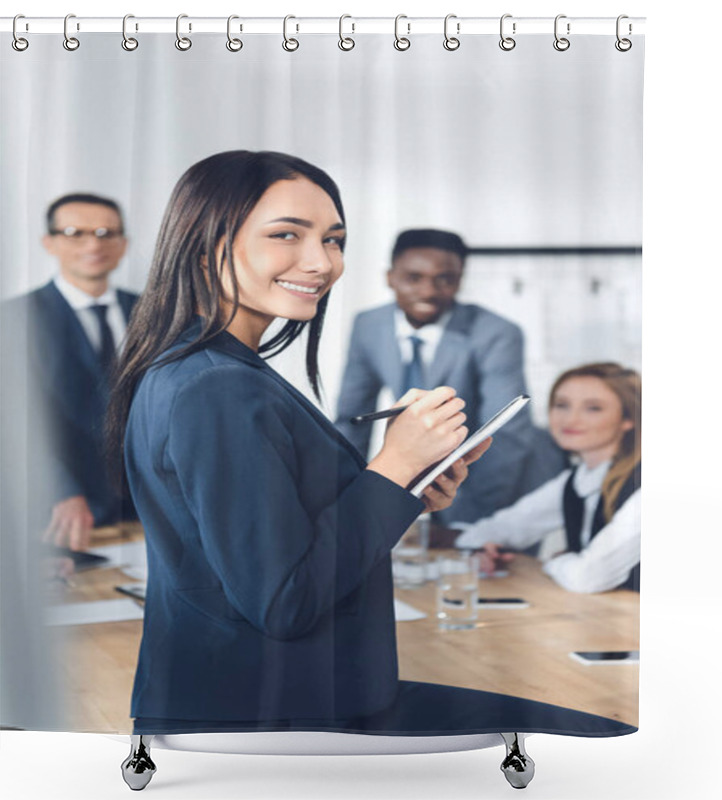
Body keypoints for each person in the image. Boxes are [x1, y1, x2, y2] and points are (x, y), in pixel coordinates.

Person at [106, 151, 633, 739]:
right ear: (206, 246)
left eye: (335, 240)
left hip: (273, 699)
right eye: (287, 235)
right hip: (270, 716)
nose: (322, 263)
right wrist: (394, 464)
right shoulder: (217, 387)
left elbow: (288, 537)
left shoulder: (202, 370)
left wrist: (403, 486)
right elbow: (286, 600)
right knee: (602, 739)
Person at [335, 228, 566, 526]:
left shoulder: (497, 333)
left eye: (445, 279)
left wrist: (465, 525)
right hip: (431, 475)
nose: (429, 291)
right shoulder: (368, 325)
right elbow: (352, 420)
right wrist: (349, 499)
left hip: (504, 481)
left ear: (459, 280)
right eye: (413, 278)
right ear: (390, 277)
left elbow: (505, 435)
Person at [6, 193, 138, 551]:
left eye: (105, 232)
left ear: (123, 244)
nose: (93, 243)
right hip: (62, 512)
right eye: (74, 232)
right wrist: (60, 491)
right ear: (48, 243)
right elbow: (13, 421)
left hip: (145, 508)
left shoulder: (150, 312)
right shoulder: (15, 320)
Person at [455, 363, 641, 593]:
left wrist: (555, 561)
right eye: (562, 405)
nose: (571, 419)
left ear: (628, 419)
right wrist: (484, 548)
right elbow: (494, 529)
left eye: (593, 408)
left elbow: (587, 578)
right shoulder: (576, 480)